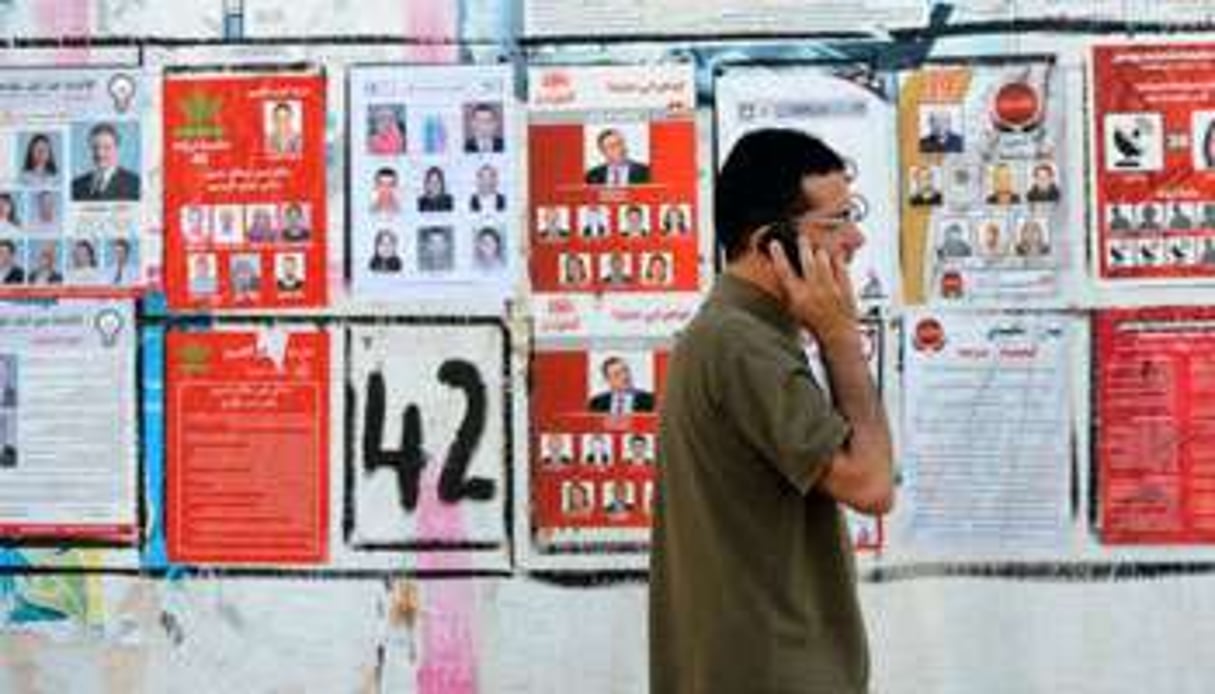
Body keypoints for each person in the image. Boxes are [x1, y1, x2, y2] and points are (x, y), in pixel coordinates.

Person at [650, 129, 894, 694]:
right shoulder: (744, 346)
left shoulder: (738, 333)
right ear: (771, 246)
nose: (854, 240)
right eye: (834, 224)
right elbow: (871, 485)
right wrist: (842, 339)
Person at [71, 123, 140, 201]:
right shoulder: (76, 185)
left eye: (107, 148)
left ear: (117, 149)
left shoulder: (135, 184)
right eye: (95, 147)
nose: (100, 153)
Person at [588, 356, 654, 414]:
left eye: (626, 370)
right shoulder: (596, 403)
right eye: (617, 374)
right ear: (608, 380)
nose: (624, 376)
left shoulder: (649, 400)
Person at [585, 128, 651, 185]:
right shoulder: (592, 176)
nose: (619, 149)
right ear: (603, 151)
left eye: (621, 143)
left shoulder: (645, 172)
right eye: (612, 146)